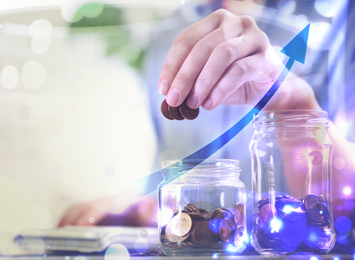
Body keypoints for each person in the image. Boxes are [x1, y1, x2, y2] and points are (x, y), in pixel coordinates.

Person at [59, 0, 355, 242]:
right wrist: (128, 208)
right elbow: (173, 170)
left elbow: (343, 217)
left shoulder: (344, 18)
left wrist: (291, 103)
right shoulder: (172, 31)